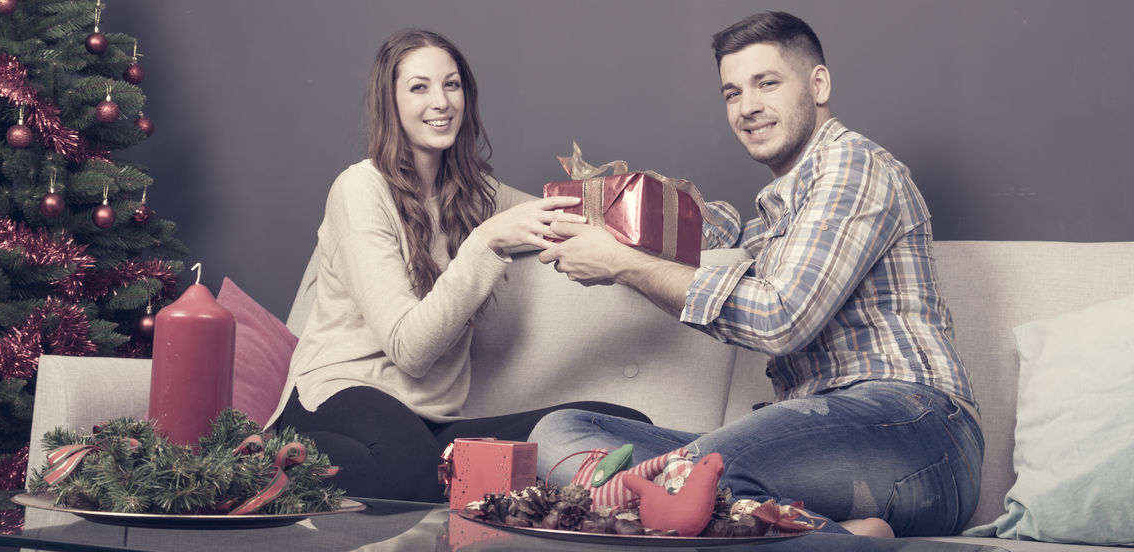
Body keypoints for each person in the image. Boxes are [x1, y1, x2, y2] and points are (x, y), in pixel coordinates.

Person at [530, 11, 983, 538]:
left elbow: (779, 317)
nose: (747, 107)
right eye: (731, 93)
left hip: (916, 430)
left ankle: (667, 496)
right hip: (812, 441)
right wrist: (557, 217)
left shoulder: (855, 166)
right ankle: (815, 532)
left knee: (691, 476)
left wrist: (623, 265)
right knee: (559, 433)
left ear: (818, 85)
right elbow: (694, 235)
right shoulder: (770, 220)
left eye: (766, 83)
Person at [264, 29, 649, 502]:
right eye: (419, 87)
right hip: (340, 393)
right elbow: (409, 349)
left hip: (432, 426)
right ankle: (274, 454)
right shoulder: (360, 189)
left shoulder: (476, 193)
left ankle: (445, 474)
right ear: (391, 102)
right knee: (406, 473)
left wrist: (686, 225)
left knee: (618, 427)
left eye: (452, 85)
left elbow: (571, 217)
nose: (441, 101)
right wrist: (486, 241)